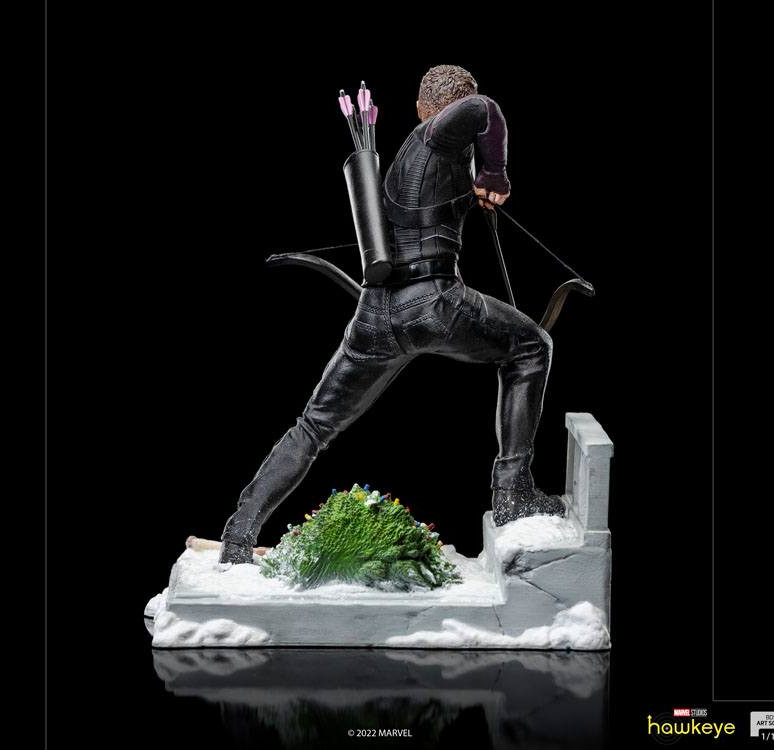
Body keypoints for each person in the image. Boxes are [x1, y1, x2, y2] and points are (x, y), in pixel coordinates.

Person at [216, 65, 563, 565]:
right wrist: (494, 173)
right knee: (532, 347)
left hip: (375, 317)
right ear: (435, 113)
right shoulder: (437, 136)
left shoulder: (414, 155)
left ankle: (237, 537)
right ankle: (513, 493)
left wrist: (471, 189)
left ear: (419, 107)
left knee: (312, 427)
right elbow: (482, 108)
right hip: (435, 304)